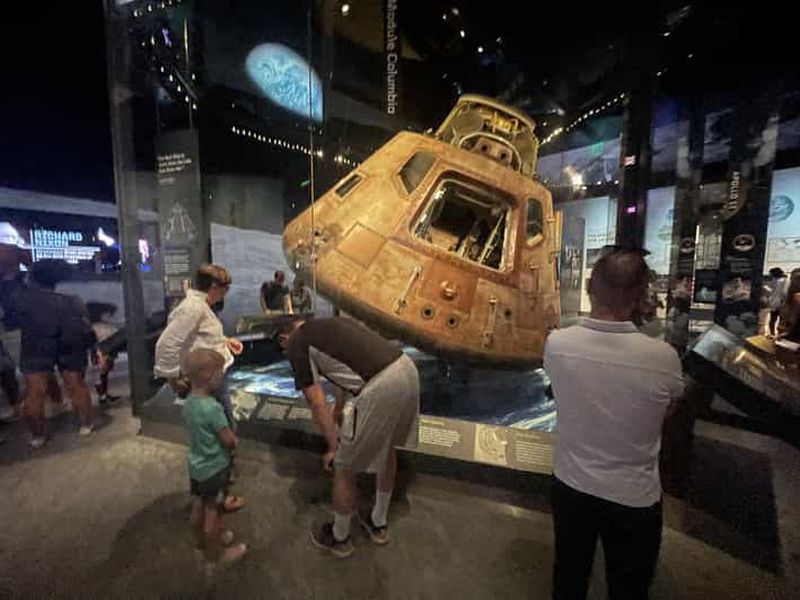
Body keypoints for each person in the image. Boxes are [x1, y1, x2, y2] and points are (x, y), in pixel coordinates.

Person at [544, 248, 684, 600]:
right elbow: (668, 410)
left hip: (570, 486)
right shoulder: (664, 359)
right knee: (628, 588)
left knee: (568, 577)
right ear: (641, 296)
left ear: (590, 288)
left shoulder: (557, 344)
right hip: (634, 498)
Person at [278, 317, 419, 558]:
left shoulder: (296, 342)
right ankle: (378, 523)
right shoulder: (328, 324)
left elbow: (316, 400)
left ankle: (340, 537)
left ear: (284, 338)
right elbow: (347, 362)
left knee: (344, 468)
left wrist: (334, 447)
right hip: (406, 368)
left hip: (380, 386)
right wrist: (340, 407)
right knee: (387, 449)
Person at [154, 263, 245, 512]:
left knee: (215, 432)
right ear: (214, 287)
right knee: (222, 434)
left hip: (214, 377)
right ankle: (219, 494)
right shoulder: (193, 308)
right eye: (224, 289)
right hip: (210, 381)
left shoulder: (198, 306)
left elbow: (200, 338)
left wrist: (225, 342)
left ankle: (212, 491)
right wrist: (174, 377)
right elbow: (166, 345)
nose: (224, 295)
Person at [15, 260, 96, 447]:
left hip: (36, 344)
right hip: (69, 341)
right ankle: (85, 425)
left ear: (34, 278)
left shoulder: (24, 300)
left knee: (34, 391)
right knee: (75, 383)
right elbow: (85, 319)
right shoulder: (70, 299)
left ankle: (38, 436)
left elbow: (12, 320)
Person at [182, 348, 247, 571]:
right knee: (213, 512)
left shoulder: (189, 403)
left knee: (198, 504)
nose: (222, 376)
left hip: (197, 467)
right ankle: (216, 554)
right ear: (209, 377)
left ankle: (201, 543)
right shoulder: (213, 408)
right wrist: (235, 443)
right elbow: (227, 439)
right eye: (220, 372)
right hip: (215, 468)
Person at [87, 302, 119, 405]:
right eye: (108, 314)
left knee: (103, 375)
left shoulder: (100, 327)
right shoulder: (97, 328)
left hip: (105, 354)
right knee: (100, 375)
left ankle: (104, 394)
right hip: (100, 355)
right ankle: (103, 396)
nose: (110, 317)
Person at [764, 267, 788, 337]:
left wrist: (766, 288)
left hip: (775, 302)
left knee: (773, 319)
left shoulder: (777, 281)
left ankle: (772, 334)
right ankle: (779, 334)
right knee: (781, 320)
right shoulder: (784, 280)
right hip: (781, 303)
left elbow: (776, 291)